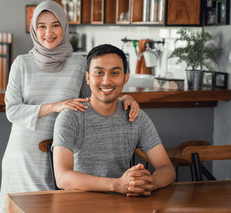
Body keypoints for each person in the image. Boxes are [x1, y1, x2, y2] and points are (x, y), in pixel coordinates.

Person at [0, 1, 140, 212]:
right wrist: (55, 106)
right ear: (34, 29)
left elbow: (94, 100)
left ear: (64, 26)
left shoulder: (79, 63)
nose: (48, 32)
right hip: (23, 154)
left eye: (55, 25)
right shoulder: (21, 63)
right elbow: (12, 110)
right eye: (41, 26)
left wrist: (125, 98)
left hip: (62, 151)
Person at [52, 44, 176, 196]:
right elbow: (62, 177)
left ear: (126, 78)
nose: (106, 81)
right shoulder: (71, 117)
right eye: (99, 72)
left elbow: (167, 168)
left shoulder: (136, 116)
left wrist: (149, 184)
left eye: (115, 73)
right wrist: (116, 185)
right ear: (88, 78)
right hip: (79, 202)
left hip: (124, 202)